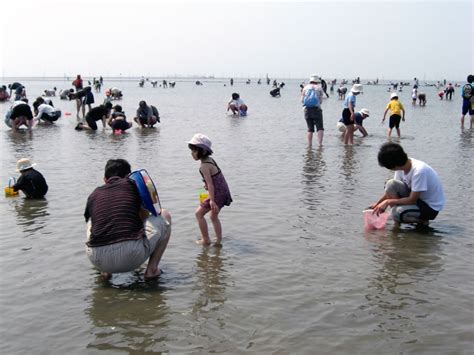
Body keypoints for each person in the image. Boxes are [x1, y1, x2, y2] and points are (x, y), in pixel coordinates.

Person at [84, 159, 172, 279]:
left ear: (105, 179)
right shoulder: (133, 185)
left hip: (97, 259)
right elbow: (147, 215)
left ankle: (105, 273)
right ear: (128, 176)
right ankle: (152, 270)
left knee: (91, 221)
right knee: (165, 215)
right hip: (131, 256)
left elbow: (89, 220)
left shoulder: (93, 195)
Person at [370, 142, 445, 227]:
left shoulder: (419, 171)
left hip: (429, 207)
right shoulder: (401, 167)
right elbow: (391, 190)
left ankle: (422, 221)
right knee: (390, 184)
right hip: (415, 199)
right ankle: (397, 223)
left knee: (395, 213)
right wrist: (378, 204)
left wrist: (387, 202)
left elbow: (412, 199)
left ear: (394, 165)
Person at [188, 134, 232, 246]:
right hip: (223, 191)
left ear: (202, 152)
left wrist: (212, 200)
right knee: (213, 216)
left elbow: (210, 184)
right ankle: (218, 239)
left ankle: (206, 240)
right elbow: (215, 177)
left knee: (198, 214)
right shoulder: (210, 160)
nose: (191, 154)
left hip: (217, 194)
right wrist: (207, 186)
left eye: (194, 151)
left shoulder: (203, 167)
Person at [301, 75, 324, 147]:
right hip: (316, 110)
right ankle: (320, 145)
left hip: (307, 110)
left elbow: (302, 100)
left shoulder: (305, 87)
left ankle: (309, 145)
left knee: (310, 129)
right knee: (320, 128)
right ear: (317, 81)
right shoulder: (319, 88)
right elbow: (320, 101)